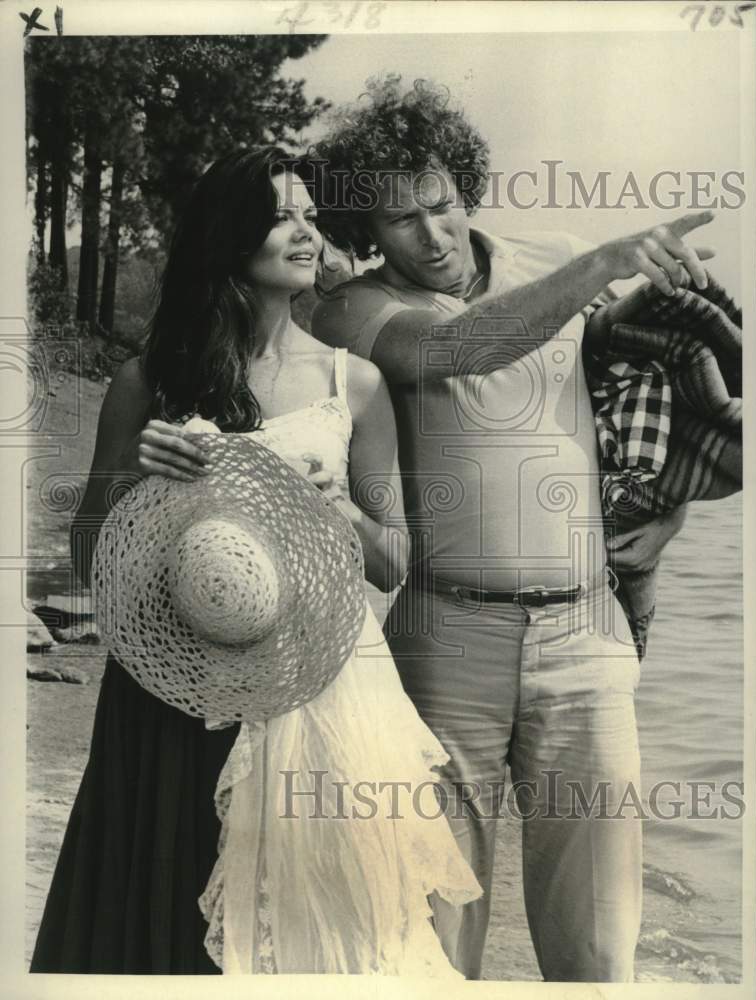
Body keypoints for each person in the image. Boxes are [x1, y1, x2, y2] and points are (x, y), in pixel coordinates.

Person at [30, 146, 481, 975]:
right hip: (172, 688)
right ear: (229, 237)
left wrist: (338, 507)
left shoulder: (358, 384)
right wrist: (134, 478)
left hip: (319, 684)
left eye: (311, 215)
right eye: (283, 216)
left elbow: (393, 563)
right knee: (166, 909)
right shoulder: (149, 381)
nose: (308, 233)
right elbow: (91, 555)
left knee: (329, 927)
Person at [310, 76, 714, 982]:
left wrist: (668, 522)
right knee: (432, 944)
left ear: (465, 187)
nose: (431, 235)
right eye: (397, 220)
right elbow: (448, 350)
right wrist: (601, 264)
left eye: (441, 205)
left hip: (585, 632)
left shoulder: (558, 259)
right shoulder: (348, 310)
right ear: (363, 234)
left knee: (599, 948)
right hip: (441, 639)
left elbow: (672, 387)